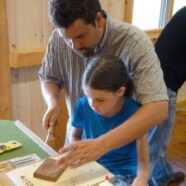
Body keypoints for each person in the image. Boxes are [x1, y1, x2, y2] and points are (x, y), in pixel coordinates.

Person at [38, 0, 168, 183]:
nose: (73, 46)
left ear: (98, 20)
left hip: (121, 157)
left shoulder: (133, 42)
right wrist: (52, 101)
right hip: (78, 151)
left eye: (80, 36)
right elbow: (48, 76)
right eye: (67, 39)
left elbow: (159, 108)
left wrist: (101, 145)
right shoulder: (59, 39)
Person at [66, 56, 150, 186]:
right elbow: (74, 135)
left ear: (120, 91)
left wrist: (141, 179)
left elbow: (144, 163)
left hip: (124, 174)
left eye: (100, 100)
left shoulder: (135, 113)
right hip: (91, 168)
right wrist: (79, 154)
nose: (92, 105)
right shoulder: (83, 105)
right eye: (88, 96)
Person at [148, 6, 186, 186]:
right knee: (157, 142)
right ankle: (150, 181)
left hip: (157, 77)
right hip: (163, 84)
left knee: (157, 139)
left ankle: (163, 174)